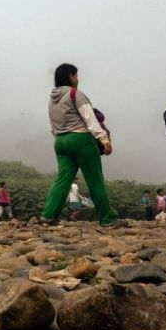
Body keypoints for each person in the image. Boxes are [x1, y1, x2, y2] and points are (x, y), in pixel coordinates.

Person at [40, 63, 118, 226]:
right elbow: (90, 118)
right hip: (81, 139)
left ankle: (48, 215)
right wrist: (103, 138)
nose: (77, 78)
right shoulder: (75, 93)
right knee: (95, 179)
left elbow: (52, 123)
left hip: (60, 142)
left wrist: (60, 137)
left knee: (62, 179)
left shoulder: (52, 99)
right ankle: (107, 218)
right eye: (76, 75)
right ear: (70, 76)